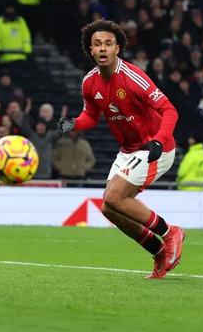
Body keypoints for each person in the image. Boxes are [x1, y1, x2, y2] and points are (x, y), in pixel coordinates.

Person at [57, 19, 184, 280]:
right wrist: (74, 123)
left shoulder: (133, 77)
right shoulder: (89, 82)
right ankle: (158, 250)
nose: (102, 48)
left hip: (155, 147)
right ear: (91, 50)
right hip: (128, 150)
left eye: (108, 43)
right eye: (97, 44)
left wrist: (159, 140)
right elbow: (91, 116)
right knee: (109, 207)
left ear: (117, 48)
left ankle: (170, 232)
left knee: (114, 197)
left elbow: (170, 110)